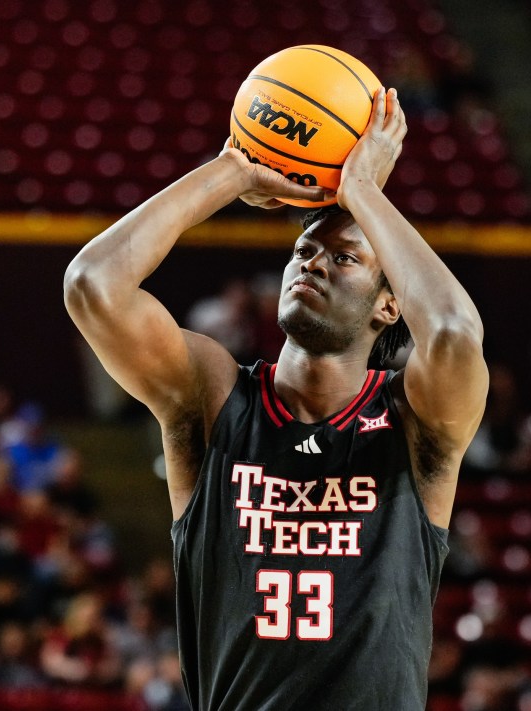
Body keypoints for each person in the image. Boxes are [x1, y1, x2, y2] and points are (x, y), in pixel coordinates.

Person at [64, 87, 488, 709]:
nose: (312, 263)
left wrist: (361, 189)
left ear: (389, 304)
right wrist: (233, 169)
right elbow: (93, 284)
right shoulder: (214, 396)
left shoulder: (413, 418)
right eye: (303, 250)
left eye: (344, 258)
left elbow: (453, 333)